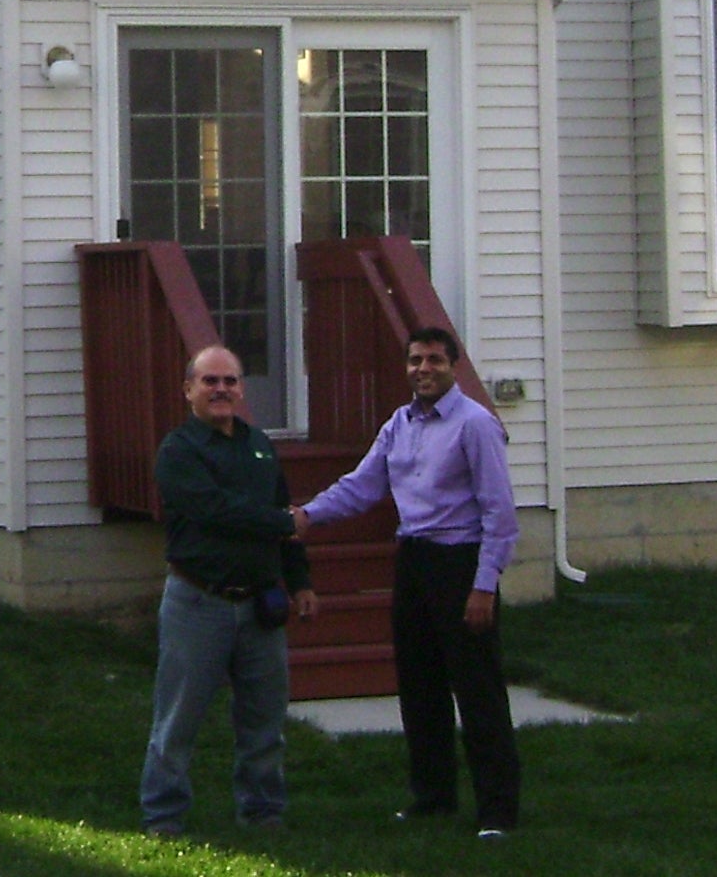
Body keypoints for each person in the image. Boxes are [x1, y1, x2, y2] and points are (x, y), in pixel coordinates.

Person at [293, 324, 523, 840]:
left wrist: (484, 585)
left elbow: (500, 514)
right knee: (420, 689)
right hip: (414, 562)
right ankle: (433, 797)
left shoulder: (475, 425)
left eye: (435, 360)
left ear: (453, 366)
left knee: (478, 690)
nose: (424, 369)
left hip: (460, 565)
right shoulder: (399, 424)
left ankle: (498, 810)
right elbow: (362, 486)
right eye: (416, 360)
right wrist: (308, 516)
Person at [140, 343, 314, 838]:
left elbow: (282, 522)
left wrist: (299, 581)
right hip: (199, 602)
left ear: (241, 389)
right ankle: (163, 816)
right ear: (188, 390)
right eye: (210, 381)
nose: (221, 390)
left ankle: (263, 811)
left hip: (259, 605)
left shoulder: (259, 445)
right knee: (177, 720)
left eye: (230, 381)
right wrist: (281, 521)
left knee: (264, 721)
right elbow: (215, 510)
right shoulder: (179, 451)